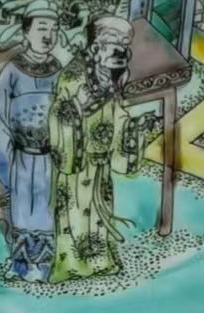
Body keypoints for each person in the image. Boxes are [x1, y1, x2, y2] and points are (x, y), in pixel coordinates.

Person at [47, 14, 145, 282]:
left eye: (124, 42)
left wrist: (133, 127)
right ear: (96, 44)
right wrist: (77, 107)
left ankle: (101, 261)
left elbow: (117, 113)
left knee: (100, 213)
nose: (120, 48)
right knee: (75, 210)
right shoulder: (73, 75)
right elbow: (61, 112)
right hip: (77, 160)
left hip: (101, 162)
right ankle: (71, 266)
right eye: (113, 40)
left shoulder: (110, 77)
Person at [0, 1, 64, 282]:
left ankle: (44, 265)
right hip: (20, 154)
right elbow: (0, 118)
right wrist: (4, 159)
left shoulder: (58, 70)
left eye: (54, 29)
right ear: (26, 32)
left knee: (46, 208)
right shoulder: (11, 71)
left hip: (50, 155)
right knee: (22, 210)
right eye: (42, 28)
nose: (48, 35)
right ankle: (21, 264)